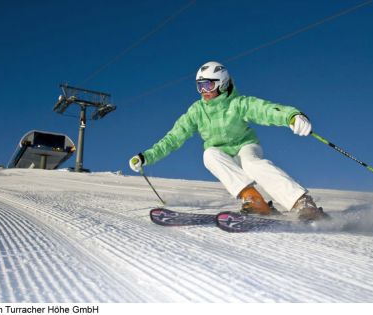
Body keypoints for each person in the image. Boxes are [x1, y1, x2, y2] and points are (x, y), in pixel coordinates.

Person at [129, 61, 326, 221]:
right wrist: (146, 157)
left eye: (208, 84)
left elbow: (265, 109)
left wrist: (291, 116)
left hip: (245, 147)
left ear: (222, 83)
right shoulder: (197, 111)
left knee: (252, 164)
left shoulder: (238, 104)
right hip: (222, 154)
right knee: (209, 154)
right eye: (200, 85)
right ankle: (253, 199)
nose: (204, 91)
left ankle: (303, 203)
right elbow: (174, 137)